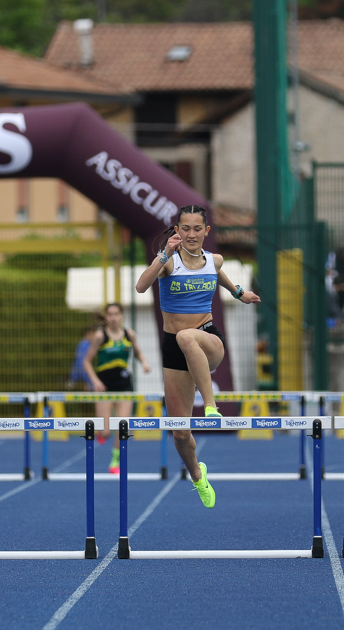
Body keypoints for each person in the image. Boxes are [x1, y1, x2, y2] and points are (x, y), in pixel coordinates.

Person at [136, 204, 260, 509]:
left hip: (207, 339)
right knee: (180, 433)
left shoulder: (214, 260)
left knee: (187, 335)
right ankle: (197, 475)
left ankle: (211, 406)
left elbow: (218, 274)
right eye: (185, 228)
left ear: (206, 231)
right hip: (174, 352)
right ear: (177, 231)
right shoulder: (169, 262)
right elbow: (141, 287)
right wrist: (163, 254)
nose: (191, 234)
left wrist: (239, 293)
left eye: (197, 229)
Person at [82, 303, 151, 474]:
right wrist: (95, 381)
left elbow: (138, 352)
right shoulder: (100, 336)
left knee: (122, 427)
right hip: (104, 386)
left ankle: (114, 462)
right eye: (110, 314)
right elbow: (86, 361)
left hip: (124, 385)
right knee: (105, 432)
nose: (113, 318)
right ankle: (102, 435)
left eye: (116, 314)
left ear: (121, 316)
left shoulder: (129, 334)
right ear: (106, 317)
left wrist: (144, 363)